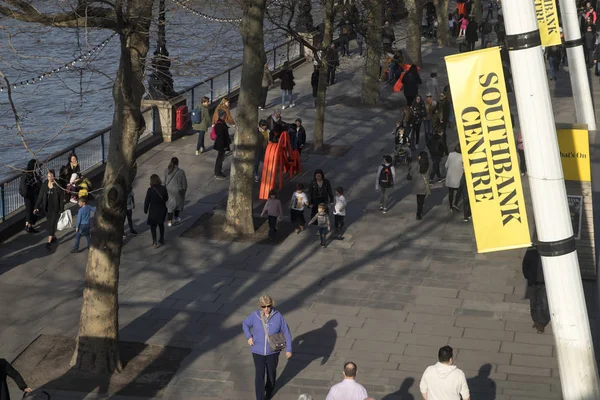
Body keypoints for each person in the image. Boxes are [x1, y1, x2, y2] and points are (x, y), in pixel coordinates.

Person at [242, 295, 293, 400]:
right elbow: (245, 324)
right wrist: (249, 337)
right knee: (259, 375)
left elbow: (286, 332)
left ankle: (269, 392)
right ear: (260, 306)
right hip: (257, 351)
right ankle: (260, 398)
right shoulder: (255, 316)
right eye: (264, 306)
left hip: (273, 351)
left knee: (271, 374)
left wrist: (289, 349)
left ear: (271, 304)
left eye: (268, 306)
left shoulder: (278, 316)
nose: (266, 309)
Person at [522, 245, 550, 333]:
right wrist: (528, 276)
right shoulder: (532, 250)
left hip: (545, 283)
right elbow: (525, 264)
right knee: (533, 302)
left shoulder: (549, 252)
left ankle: (542, 322)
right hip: (533, 282)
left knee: (544, 303)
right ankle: (536, 320)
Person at [34, 169, 64, 250]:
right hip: (47, 208)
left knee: (52, 224)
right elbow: (40, 196)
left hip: (55, 208)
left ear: (54, 176)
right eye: (48, 176)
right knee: (50, 224)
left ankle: (48, 242)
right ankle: (53, 237)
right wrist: (36, 206)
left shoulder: (57, 184)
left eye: (51, 176)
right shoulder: (44, 184)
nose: (50, 177)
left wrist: (61, 209)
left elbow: (61, 198)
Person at [143, 174, 168, 248]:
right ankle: (162, 239)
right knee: (161, 224)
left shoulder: (150, 190)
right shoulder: (163, 188)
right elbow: (166, 198)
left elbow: (147, 201)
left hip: (153, 210)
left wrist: (145, 209)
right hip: (162, 209)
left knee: (153, 226)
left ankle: (154, 242)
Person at [164, 157, 187, 226]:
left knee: (170, 206)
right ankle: (176, 217)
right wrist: (184, 190)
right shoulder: (181, 172)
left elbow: (164, 181)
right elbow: (184, 183)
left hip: (169, 190)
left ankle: (169, 221)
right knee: (178, 205)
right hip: (178, 191)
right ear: (177, 163)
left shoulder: (166, 170)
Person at [19, 159, 41, 233]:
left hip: (30, 195)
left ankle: (28, 225)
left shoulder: (29, 173)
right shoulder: (29, 174)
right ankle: (28, 226)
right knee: (30, 210)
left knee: (30, 210)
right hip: (30, 195)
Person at [445, 144, 464, 212]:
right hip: (458, 178)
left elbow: (446, 165)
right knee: (460, 191)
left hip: (450, 177)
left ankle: (450, 206)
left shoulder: (450, 155)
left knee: (451, 192)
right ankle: (455, 203)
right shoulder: (462, 157)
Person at [213, 109, 231, 180]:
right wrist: (224, 146)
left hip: (222, 144)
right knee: (219, 159)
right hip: (221, 145)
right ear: (222, 116)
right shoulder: (220, 124)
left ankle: (218, 172)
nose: (225, 116)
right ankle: (218, 173)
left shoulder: (221, 122)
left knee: (220, 159)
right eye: (224, 115)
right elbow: (221, 137)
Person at [413, 151, 430, 220]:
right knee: (422, 199)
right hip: (424, 184)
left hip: (418, 184)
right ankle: (419, 211)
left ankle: (418, 211)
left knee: (418, 199)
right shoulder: (428, 164)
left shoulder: (417, 164)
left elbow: (414, 174)